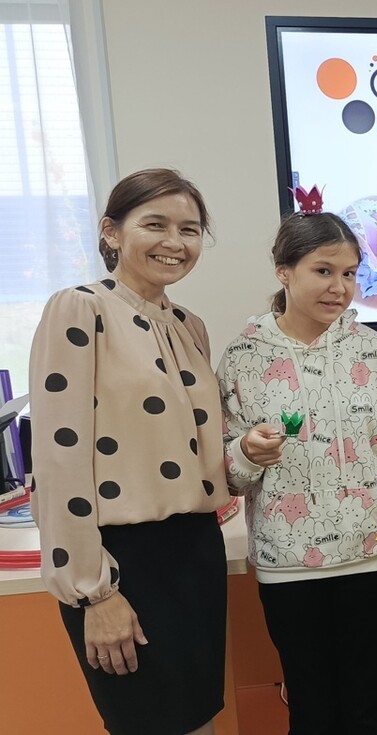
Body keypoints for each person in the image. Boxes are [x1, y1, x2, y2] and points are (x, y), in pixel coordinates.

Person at [29, 168, 231, 735]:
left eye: (189, 229)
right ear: (112, 231)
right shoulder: (79, 309)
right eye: (155, 224)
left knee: (199, 721)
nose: (175, 242)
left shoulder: (190, 326)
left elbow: (197, 451)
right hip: (120, 563)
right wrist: (94, 594)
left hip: (194, 550)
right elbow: (59, 458)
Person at [218, 208, 377, 735]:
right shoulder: (243, 357)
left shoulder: (375, 354)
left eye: (349, 273)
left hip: (372, 558)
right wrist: (246, 453)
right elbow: (226, 475)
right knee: (311, 709)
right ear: (284, 271)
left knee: (370, 707)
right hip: (287, 566)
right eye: (323, 271)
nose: (339, 287)